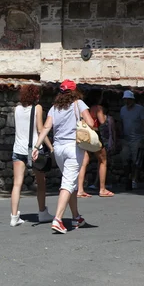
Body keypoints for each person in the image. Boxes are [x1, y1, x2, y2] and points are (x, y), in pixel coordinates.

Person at [33, 80, 95, 234]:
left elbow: (46, 128)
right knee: (68, 183)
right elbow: (91, 122)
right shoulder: (78, 103)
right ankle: (58, 219)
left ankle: (76, 217)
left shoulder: (54, 108)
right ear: (74, 91)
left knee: (71, 182)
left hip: (58, 148)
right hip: (73, 148)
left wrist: (36, 147)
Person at [10, 85, 55, 226]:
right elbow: (41, 129)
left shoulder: (16, 109)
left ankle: (14, 216)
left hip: (18, 149)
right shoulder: (38, 108)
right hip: (35, 150)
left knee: (17, 183)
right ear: (35, 96)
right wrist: (50, 146)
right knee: (41, 183)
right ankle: (42, 212)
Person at [78, 101, 115, 198]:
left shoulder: (83, 107)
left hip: (83, 136)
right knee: (103, 160)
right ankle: (102, 189)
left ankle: (80, 189)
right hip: (94, 135)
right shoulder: (98, 108)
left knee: (84, 162)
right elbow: (102, 121)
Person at [119, 90, 144, 190]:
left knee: (136, 160)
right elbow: (122, 122)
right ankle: (128, 178)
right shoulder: (122, 110)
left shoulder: (139, 109)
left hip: (137, 138)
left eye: (129, 100)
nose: (127, 102)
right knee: (125, 158)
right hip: (126, 138)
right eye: (125, 100)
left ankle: (134, 179)